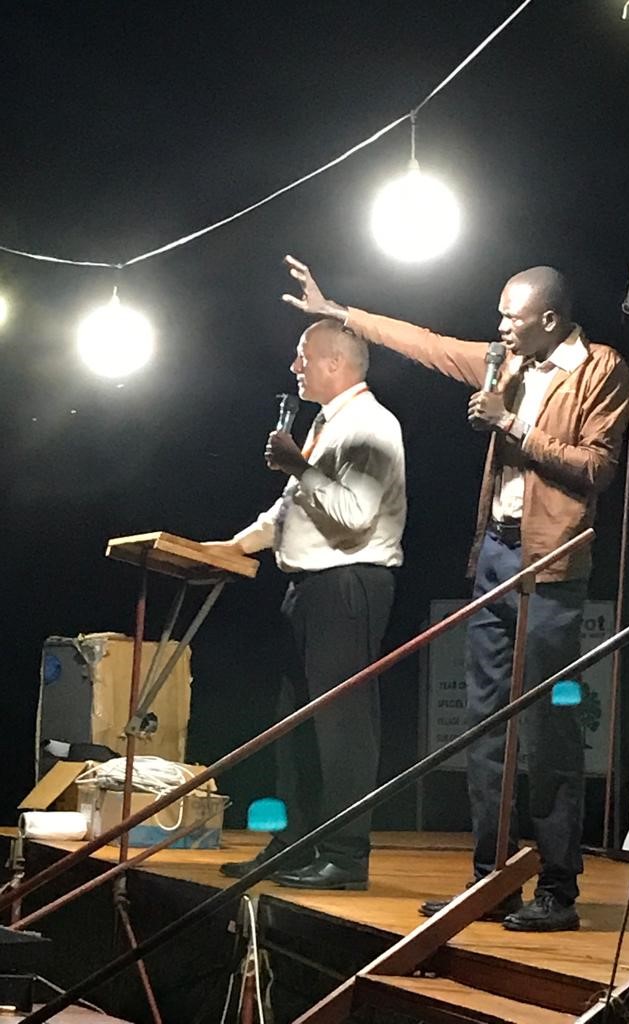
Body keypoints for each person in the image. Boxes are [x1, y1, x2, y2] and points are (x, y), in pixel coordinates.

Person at [281, 256, 629, 930]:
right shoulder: (509, 363)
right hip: (496, 554)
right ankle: (490, 881)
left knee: (548, 730)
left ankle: (557, 889)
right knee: (483, 727)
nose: (500, 327)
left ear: (550, 319)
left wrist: (512, 425)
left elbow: (597, 467)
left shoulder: (599, 368)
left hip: (552, 564)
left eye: (512, 317)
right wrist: (339, 312)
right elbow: (428, 344)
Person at [209, 319, 406, 891]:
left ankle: (345, 855)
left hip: (348, 586)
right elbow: (289, 509)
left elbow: (353, 514)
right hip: (310, 588)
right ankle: (295, 843)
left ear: (335, 362)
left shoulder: (371, 425)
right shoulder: (328, 423)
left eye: (304, 357)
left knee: (342, 728)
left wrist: (299, 464)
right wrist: (228, 548)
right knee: (295, 726)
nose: (295, 367)